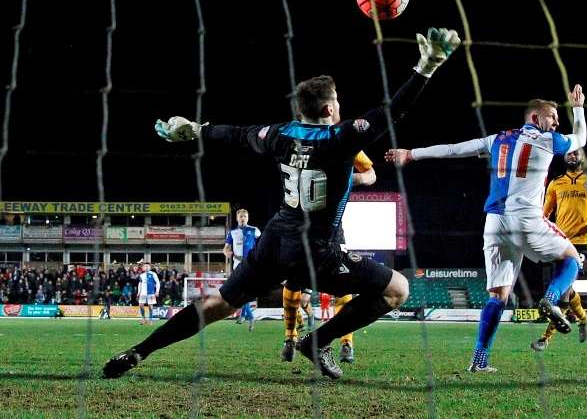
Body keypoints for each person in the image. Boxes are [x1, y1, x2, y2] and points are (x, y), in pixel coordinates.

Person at [102, 26, 461, 380]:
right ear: (327, 108)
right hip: (316, 251)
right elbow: (391, 111)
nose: (340, 104)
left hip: (274, 241)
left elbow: (234, 135)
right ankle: (317, 342)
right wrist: (426, 67)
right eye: (337, 99)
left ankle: (138, 351)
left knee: (217, 305)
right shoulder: (340, 139)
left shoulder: (277, 135)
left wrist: (195, 129)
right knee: (398, 288)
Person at [386, 86, 587, 372]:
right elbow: (580, 139)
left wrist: (411, 153)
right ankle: (551, 299)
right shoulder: (547, 140)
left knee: (498, 296)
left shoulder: (497, 140)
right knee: (571, 258)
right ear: (534, 116)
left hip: (494, 223)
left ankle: (479, 360)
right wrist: (578, 108)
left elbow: (455, 149)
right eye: (552, 116)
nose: (556, 122)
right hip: (526, 219)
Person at [281, 150, 376, 363]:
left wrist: (351, 178)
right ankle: (290, 338)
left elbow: (371, 174)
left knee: (344, 286)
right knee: (293, 282)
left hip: (332, 230)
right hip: (299, 227)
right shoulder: (293, 139)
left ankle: (346, 343)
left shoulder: (345, 140)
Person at [532, 148, 587, 352]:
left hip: (582, 243)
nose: (572, 156)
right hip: (559, 242)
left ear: (582, 158)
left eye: (576, 153)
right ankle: (583, 318)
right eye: (568, 153)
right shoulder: (555, 183)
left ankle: (545, 338)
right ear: (564, 157)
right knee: (566, 291)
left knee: (562, 291)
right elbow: (544, 213)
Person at [223, 208, 262, 331]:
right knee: (240, 291)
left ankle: (247, 316)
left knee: (244, 290)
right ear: (237, 218)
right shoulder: (232, 232)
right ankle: (245, 315)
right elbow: (225, 248)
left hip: (250, 263)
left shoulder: (254, 230)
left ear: (248, 218)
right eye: (241, 216)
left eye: (245, 216)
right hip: (237, 262)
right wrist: (227, 253)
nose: (243, 218)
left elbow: (262, 244)